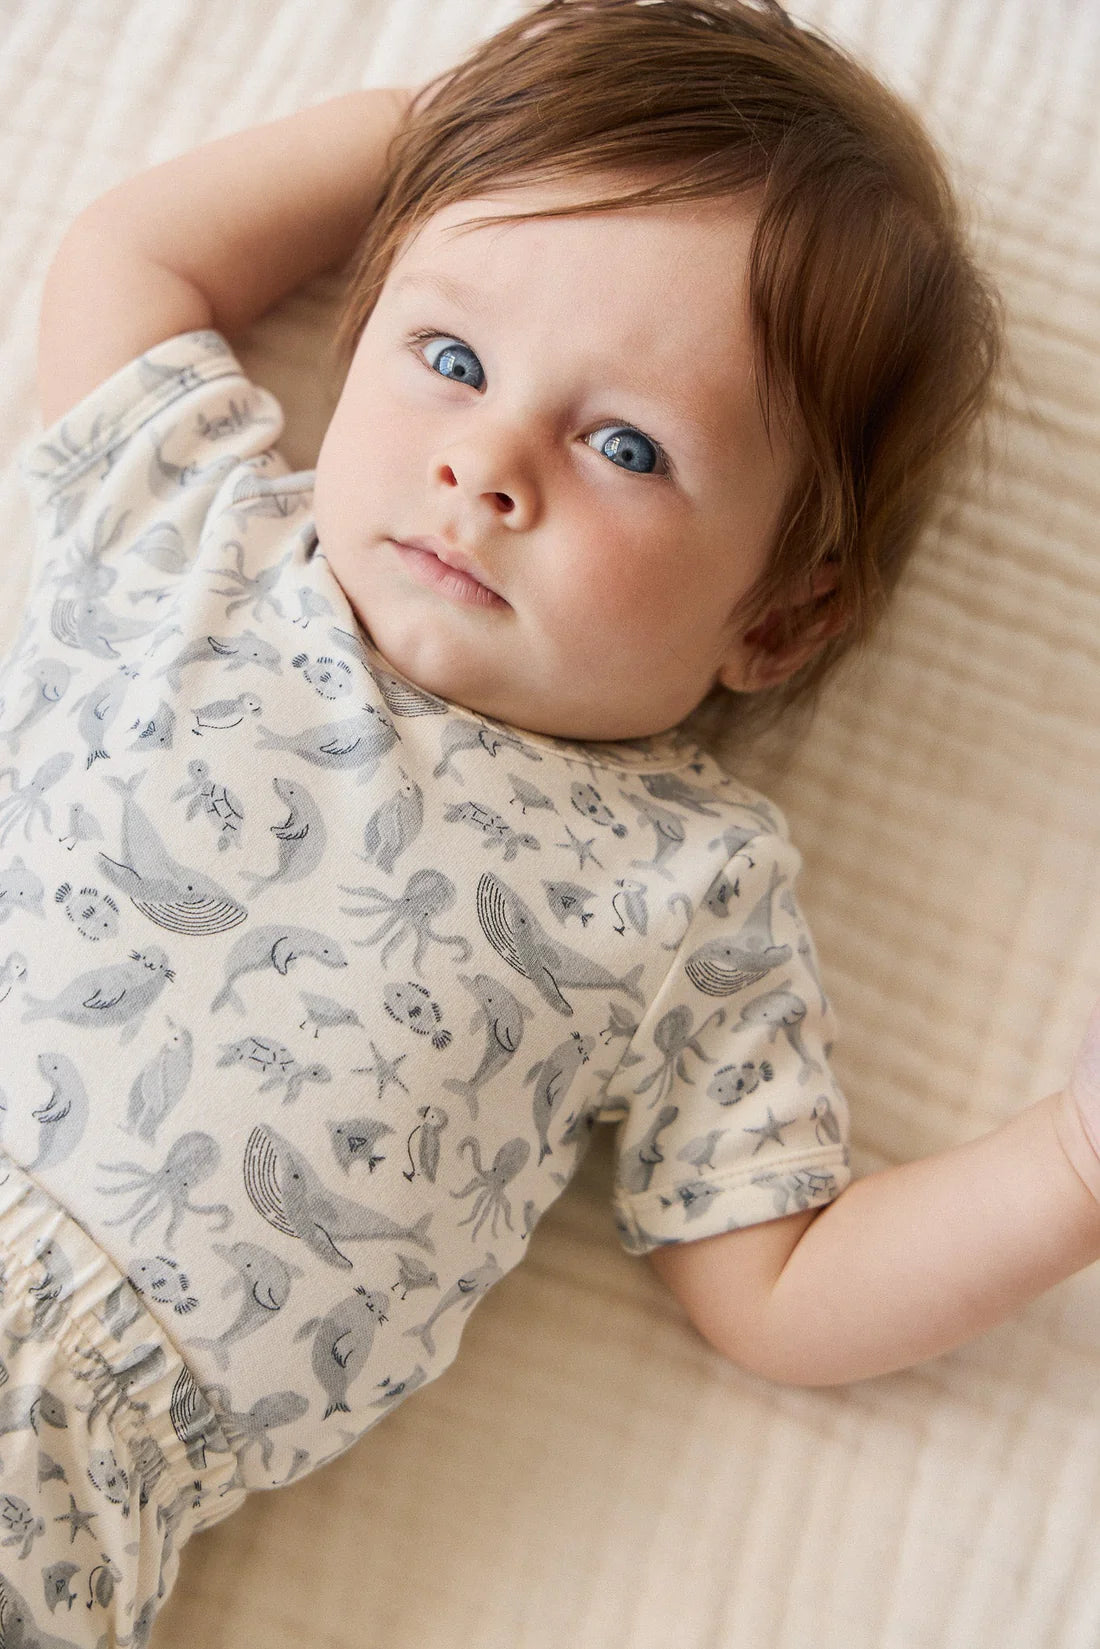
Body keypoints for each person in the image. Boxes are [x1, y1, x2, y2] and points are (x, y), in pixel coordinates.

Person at [1, 0, 1097, 1641]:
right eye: (451, 359)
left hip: (64, 1477)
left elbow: (782, 1283)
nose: (488, 460)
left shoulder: (681, 888)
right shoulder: (201, 527)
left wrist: (1069, 1165)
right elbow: (132, 253)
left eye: (627, 446)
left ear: (781, 617)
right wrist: (461, 125)